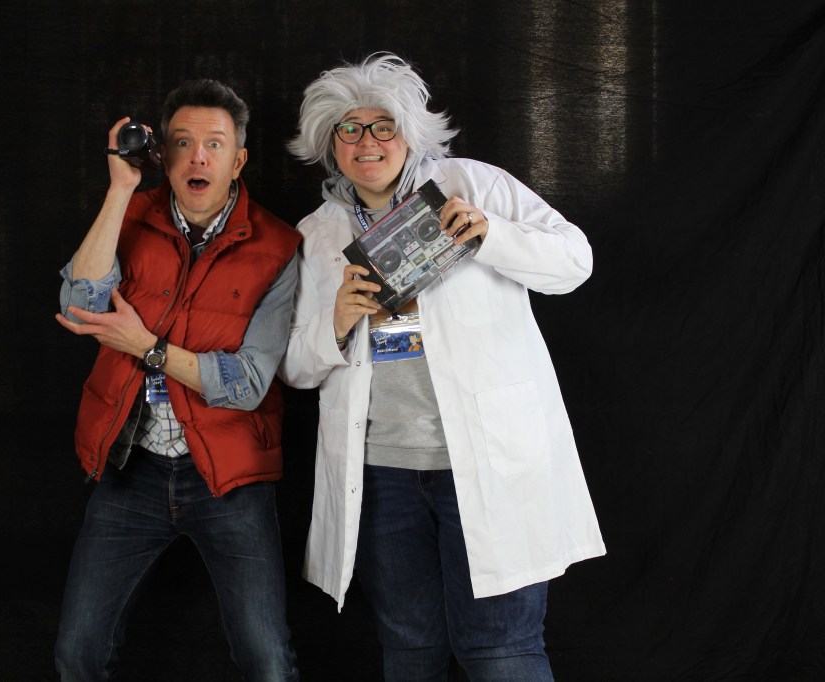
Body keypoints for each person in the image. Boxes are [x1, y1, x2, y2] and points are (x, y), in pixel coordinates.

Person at [280, 53, 606, 681]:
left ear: (410, 132)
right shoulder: (318, 233)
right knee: (410, 650)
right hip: (383, 477)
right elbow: (294, 368)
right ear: (329, 143)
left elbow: (575, 261)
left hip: (484, 463)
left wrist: (491, 236)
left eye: (384, 126)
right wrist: (337, 322)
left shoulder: (474, 186)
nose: (367, 142)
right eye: (349, 128)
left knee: (501, 650)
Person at [54, 79, 302, 681]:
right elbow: (80, 306)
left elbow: (247, 383)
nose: (198, 158)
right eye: (183, 143)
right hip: (130, 468)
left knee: (267, 661)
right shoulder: (130, 215)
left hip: (228, 475)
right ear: (162, 154)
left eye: (215, 144)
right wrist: (119, 190)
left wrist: (146, 347)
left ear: (238, 160)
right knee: (78, 654)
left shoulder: (278, 246)